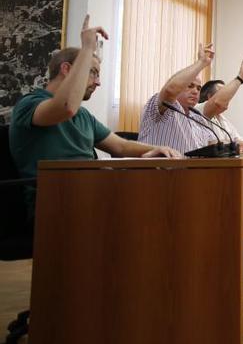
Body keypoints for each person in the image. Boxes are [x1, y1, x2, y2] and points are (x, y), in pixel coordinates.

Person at [10, 15, 179, 221]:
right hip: (55, 202)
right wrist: (88, 49)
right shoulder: (29, 104)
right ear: (66, 69)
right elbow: (66, 107)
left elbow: (121, 147)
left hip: (92, 192)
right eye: (93, 72)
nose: (98, 82)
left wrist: (160, 150)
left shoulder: (83, 115)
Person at [138, 43, 224, 153]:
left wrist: (234, 146)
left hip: (193, 169)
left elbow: (215, 147)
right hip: (160, 169)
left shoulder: (198, 118)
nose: (195, 91)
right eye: (190, 86)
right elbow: (170, 89)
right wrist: (201, 63)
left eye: (198, 88)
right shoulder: (163, 108)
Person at [195, 62, 243, 153]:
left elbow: (238, 140)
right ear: (210, 97)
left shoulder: (222, 118)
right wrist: (240, 78)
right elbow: (214, 144)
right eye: (224, 92)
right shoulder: (197, 110)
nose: (229, 96)